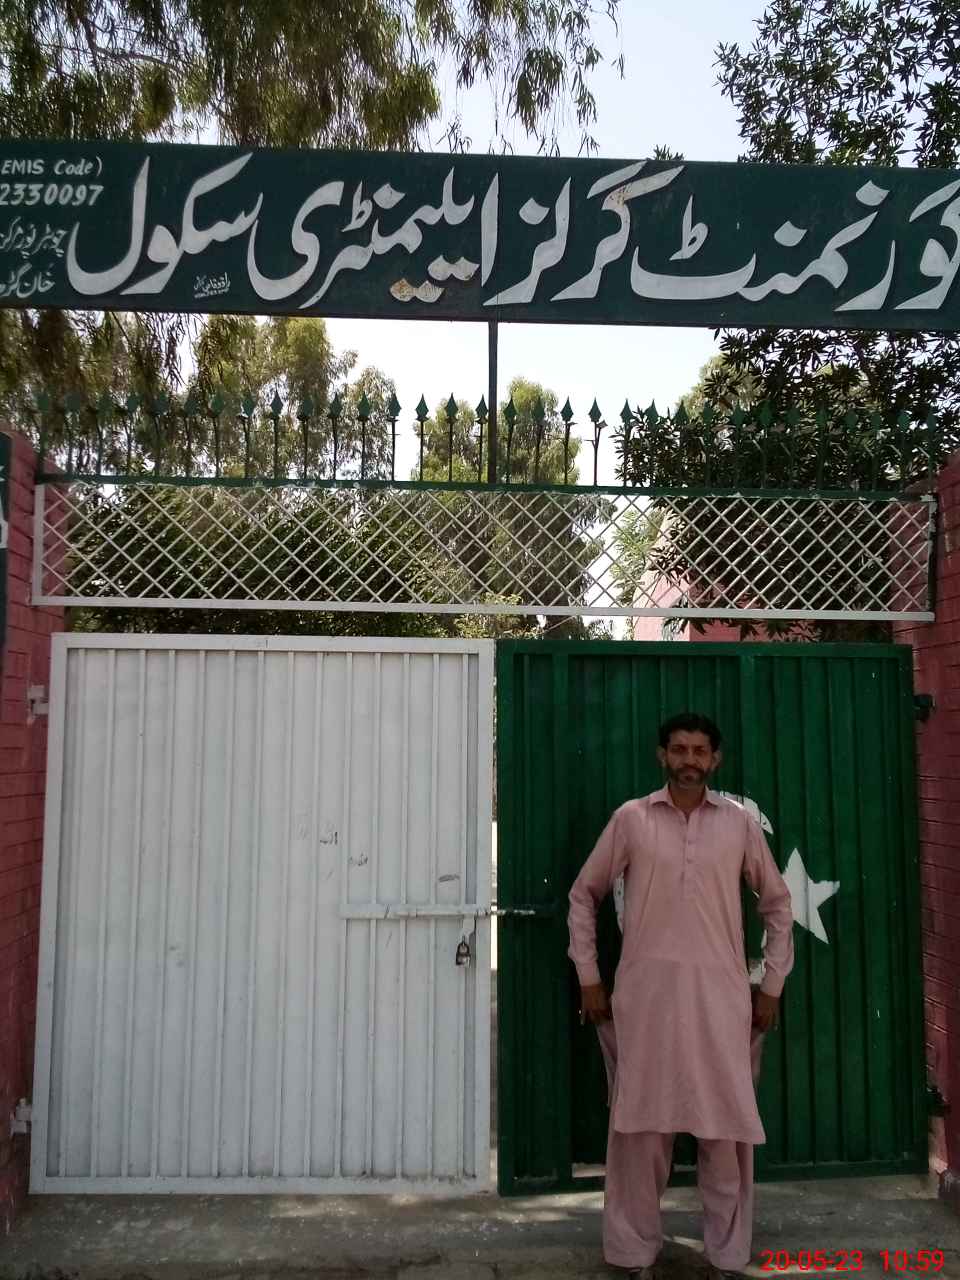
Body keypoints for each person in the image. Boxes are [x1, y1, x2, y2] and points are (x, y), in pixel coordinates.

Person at [567, 712, 794, 1280]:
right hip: (646, 1003)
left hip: (722, 1003)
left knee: (725, 1134)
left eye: (699, 751)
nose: (689, 760)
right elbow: (583, 894)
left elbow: (777, 904)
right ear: (662, 756)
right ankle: (631, 1253)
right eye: (678, 750)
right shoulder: (632, 819)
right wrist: (589, 976)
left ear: (715, 759)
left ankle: (728, 1255)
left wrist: (771, 984)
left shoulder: (738, 825)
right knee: (639, 1133)